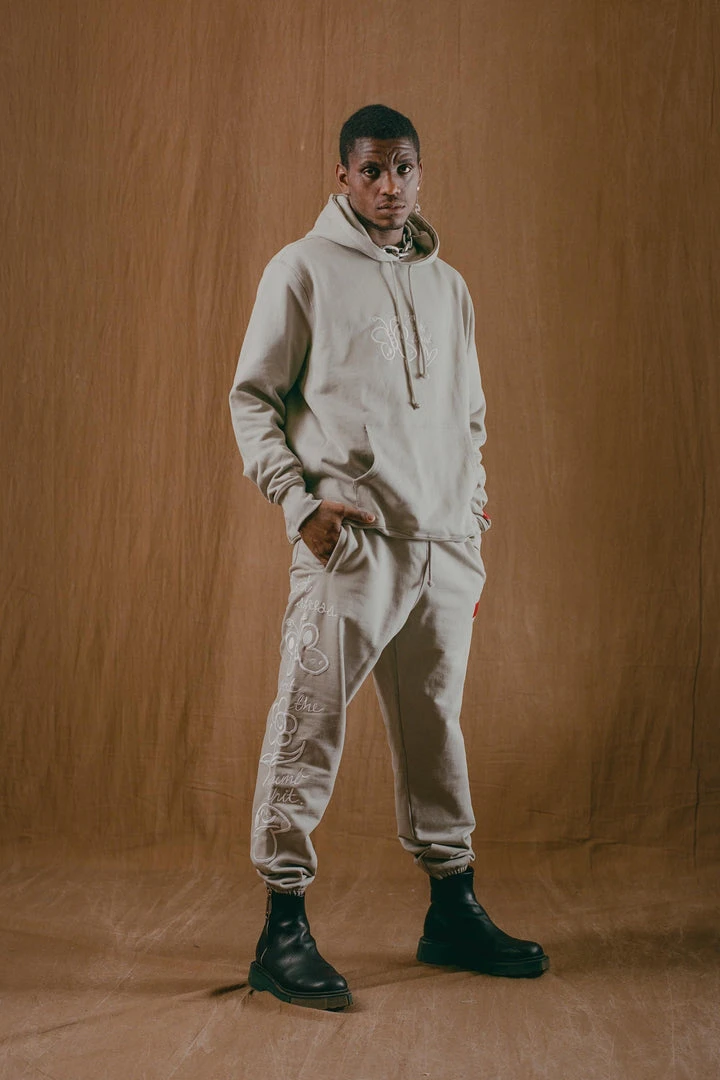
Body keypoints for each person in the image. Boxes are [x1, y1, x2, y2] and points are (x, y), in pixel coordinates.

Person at [229, 104, 549, 1010]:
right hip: (352, 545)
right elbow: (252, 399)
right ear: (342, 175)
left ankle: (452, 908)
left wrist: (468, 519)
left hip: (442, 549)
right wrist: (299, 506)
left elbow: (471, 417)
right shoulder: (300, 270)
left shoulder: (449, 286)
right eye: (371, 169)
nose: (389, 186)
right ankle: (281, 929)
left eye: (403, 168)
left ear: (420, 172)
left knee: (435, 728)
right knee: (309, 722)